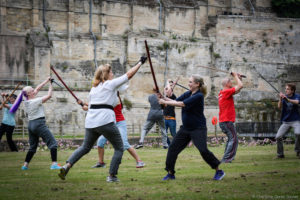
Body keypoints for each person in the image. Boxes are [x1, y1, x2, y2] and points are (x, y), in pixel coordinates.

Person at [58, 56, 147, 182]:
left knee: (85, 147)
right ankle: (112, 176)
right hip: (105, 121)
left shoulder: (94, 89)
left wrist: (83, 104)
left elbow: (93, 106)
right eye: (111, 72)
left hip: (90, 122)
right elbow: (129, 75)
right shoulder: (110, 84)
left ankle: (67, 165)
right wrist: (140, 63)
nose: (113, 74)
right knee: (119, 147)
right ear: (106, 74)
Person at [159, 75, 225, 181]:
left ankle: (218, 171)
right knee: (172, 148)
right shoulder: (188, 93)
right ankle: (170, 173)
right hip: (185, 128)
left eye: (190, 82)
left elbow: (182, 104)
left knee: (203, 150)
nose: (189, 84)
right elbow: (176, 101)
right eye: (189, 82)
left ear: (197, 84)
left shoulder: (199, 96)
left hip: (198, 128)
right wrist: (163, 98)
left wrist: (165, 102)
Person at [10, 77, 61, 170]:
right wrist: (50, 84)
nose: (35, 90)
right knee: (53, 143)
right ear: (29, 93)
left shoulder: (26, 101)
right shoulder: (35, 101)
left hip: (31, 125)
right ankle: (54, 164)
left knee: (32, 147)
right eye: (32, 90)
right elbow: (49, 95)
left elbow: (37, 88)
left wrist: (46, 80)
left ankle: (25, 165)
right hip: (39, 124)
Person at [92, 92, 145, 168]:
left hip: (120, 123)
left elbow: (103, 107)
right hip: (110, 124)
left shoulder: (116, 99)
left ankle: (139, 161)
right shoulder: (108, 99)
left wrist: (90, 106)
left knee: (124, 143)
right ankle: (101, 162)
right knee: (100, 142)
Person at [218, 72, 243, 163]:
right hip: (226, 121)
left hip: (224, 121)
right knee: (234, 139)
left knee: (231, 139)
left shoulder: (222, 93)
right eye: (231, 82)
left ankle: (226, 158)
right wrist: (235, 76)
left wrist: (239, 78)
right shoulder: (226, 92)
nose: (232, 83)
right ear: (227, 84)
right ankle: (227, 159)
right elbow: (240, 86)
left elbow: (238, 89)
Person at [276, 83, 300, 159]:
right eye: (286, 89)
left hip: (296, 121)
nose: (286, 90)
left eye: (288, 89)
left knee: (298, 133)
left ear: (292, 91)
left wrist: (288, 100)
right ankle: (280, 154)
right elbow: (279, 107)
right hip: (286, 121)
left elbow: (297, 102)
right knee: (278, 137)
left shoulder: (297, 96)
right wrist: (280, 98)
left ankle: (298, 150)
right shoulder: (284, 97)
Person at [163, 79, 177, 145]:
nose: (166, 91)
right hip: (164, 119)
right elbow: (166, 89)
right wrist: (170, 84)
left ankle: (178, 144)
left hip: (171, 119)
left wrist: (168, 82)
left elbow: (168, 90)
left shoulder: (173, 97)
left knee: (173, 133)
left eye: (168, 90)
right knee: (164, 133)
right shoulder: (164, 98)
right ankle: (169, 145)